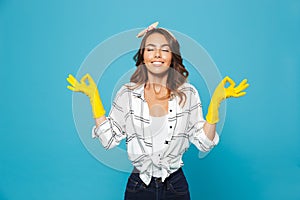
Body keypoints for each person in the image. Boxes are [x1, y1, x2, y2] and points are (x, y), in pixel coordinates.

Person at [66, 22, 249, 200]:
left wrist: (216, 103)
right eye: (150, 48)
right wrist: (94, 98)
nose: (157, 54)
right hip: (138, 186)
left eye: (165, 49)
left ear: (172, 56)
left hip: (176, 186)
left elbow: (204, 143)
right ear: (143, 55)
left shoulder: (188, 94)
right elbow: (109, 138)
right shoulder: (127, 93)